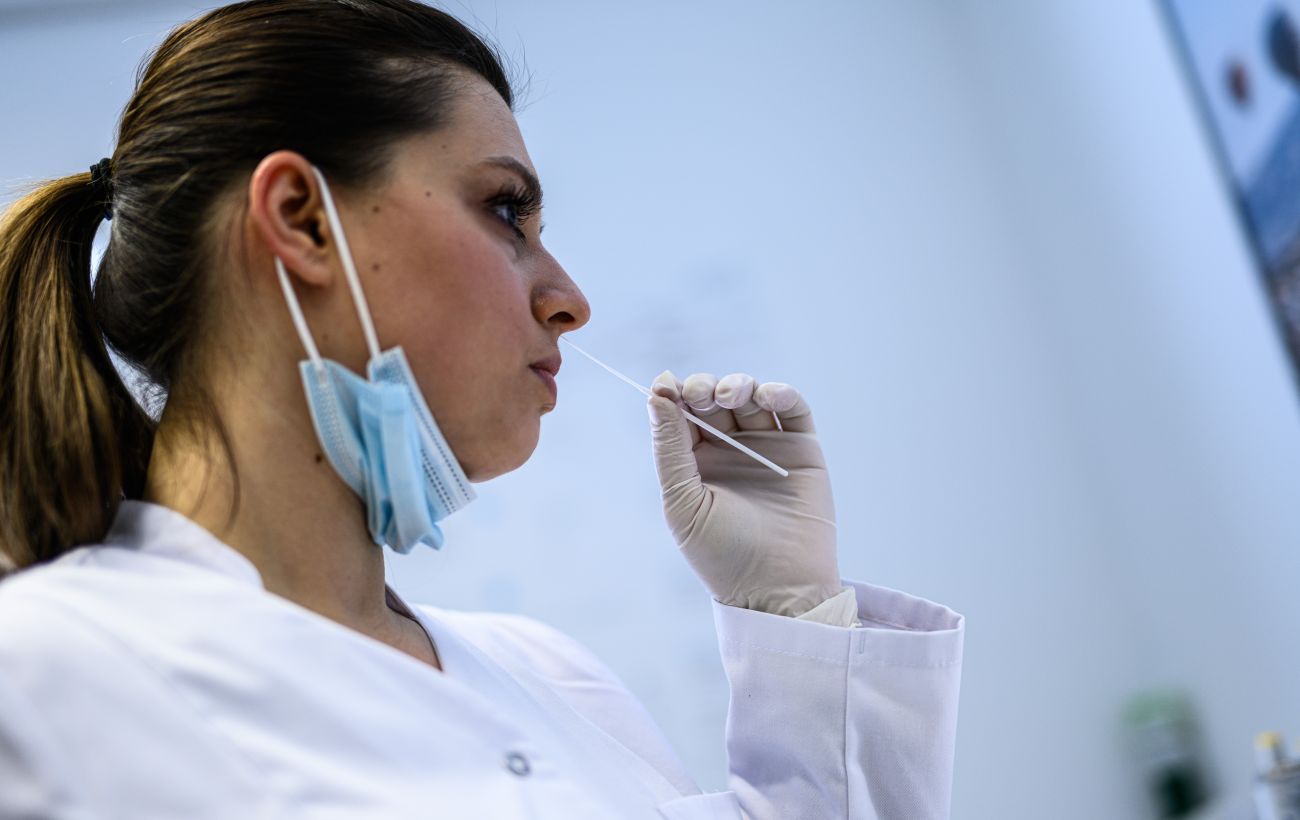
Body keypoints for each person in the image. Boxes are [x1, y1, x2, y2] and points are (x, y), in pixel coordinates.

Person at [0, 1, 965, 817]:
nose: (571, 299)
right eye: (507, 210)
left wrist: (788, 609)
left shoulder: (551, 676)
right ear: (300, 219)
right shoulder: (45, 679)